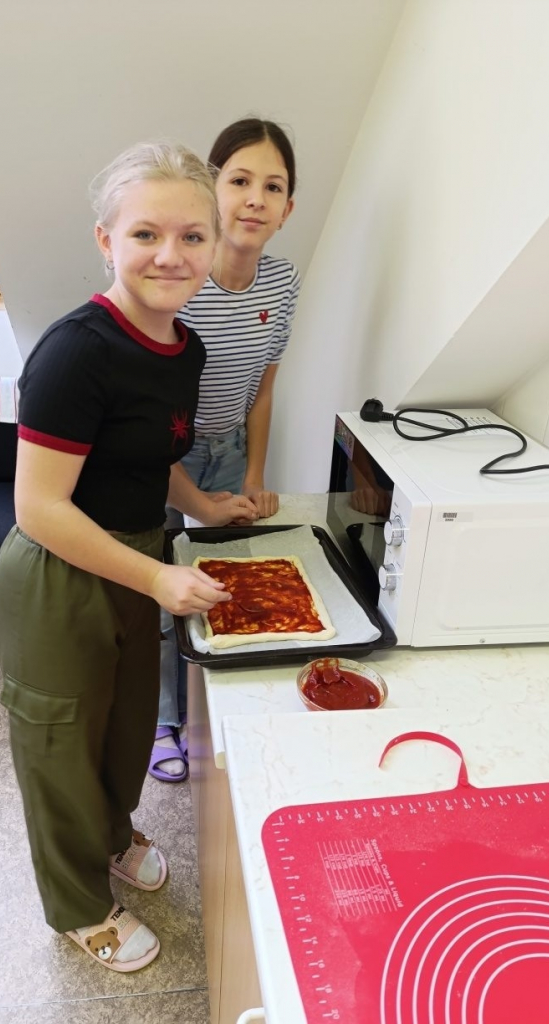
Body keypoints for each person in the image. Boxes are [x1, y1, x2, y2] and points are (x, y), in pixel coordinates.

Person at [0, 141, 258, 973]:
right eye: (145, 234)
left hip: (139, 559)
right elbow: (38, 507)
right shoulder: (77, 351)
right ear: (106, 240)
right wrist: (155, 576)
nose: (169, 255)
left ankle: (110, 835)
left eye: (191, 236)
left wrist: (203, 507)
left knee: (123, 727)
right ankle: (77, 906)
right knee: (60, 749)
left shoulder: (186, 348)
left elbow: (150, 455)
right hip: (59, 573)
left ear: (212, 245)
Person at [150, 118, 301, 782]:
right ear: (211, 190)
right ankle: (164, 720)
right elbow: (149, 420)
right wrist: (195, 500)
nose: (255, 200)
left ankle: (220, 717)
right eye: (240, 181)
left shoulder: (282, 282)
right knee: (165, 592)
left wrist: (255, 476)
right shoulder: (181, 279)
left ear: (287, 208)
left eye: (273, 187)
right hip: (162, 456)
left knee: (227, 585)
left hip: (231, 447)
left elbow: (263, 391)